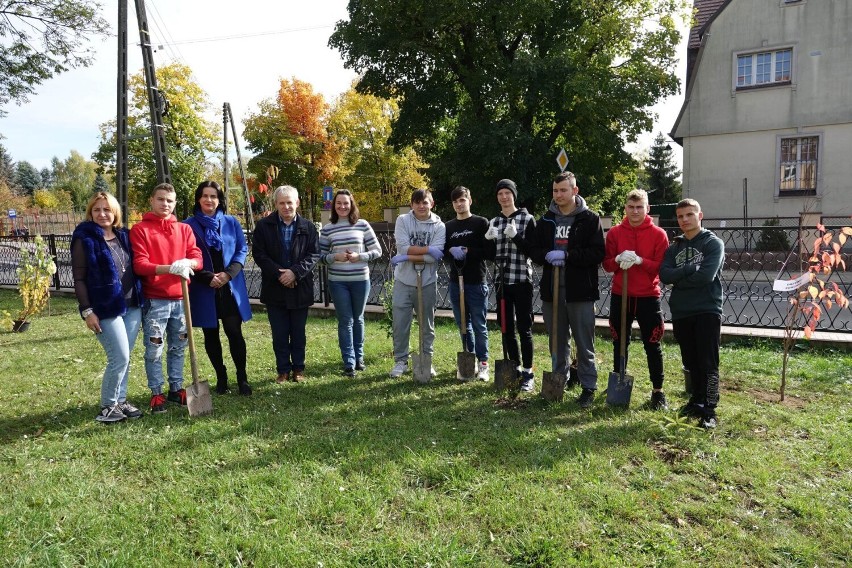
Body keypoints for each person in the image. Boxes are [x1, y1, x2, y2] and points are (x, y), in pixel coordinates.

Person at [528, 171, 605, 407]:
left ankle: (588, 386)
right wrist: (547, 256)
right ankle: (559, 380)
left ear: (575, 190)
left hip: (580, 291)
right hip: (553, 291)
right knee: (557, 340)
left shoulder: (590, 219)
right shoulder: (546, 220)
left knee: (584, 342)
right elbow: (534, 250)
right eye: (555, 190)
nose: (558, 195)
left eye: (563, 190)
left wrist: (568, 255)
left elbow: (597, 253)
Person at [72, 192, 144, 423]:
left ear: (115, 213)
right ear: (90, 213)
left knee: (126, 356)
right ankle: (107, 406)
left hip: (132, 304)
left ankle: (120, 401)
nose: (102, 214)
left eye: (107, 209)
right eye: (97, 210)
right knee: (119, 357)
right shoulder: (86, 239)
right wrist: (87, 311)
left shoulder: (124, 236)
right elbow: (79, 278)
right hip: (105, 308)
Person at [130, 183, 202, 413]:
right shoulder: (140, 229)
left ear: (175, 203)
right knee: (155, 348)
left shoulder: (184, 229)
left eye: (170, 200)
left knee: (179, 346)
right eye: (161, 199)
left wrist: (189, 263)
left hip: (182, 300)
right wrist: (169, 268)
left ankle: (176, 388)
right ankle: (156, 392)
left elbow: (197, 257)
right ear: (152, 200)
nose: (165, 204)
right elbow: (140, 265)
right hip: (156, 300)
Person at [659, 198, 724, 429]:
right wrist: (689, 270)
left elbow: (706, 276)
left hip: (707, 309)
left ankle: (709, 408)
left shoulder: (712, 244)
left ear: (700, 215)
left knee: (708, 361)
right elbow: (665, 275)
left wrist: (680, 278)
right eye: (680, 216)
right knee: (690, 360)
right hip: (682, 311)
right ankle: (696, 400)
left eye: (689, 214)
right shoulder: (674, 247)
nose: (685, 220)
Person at [602, 189, 670, 410]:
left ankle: (658, 391)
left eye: (639, 207)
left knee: (653, 343)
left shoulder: (659, 234)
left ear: (647, 208)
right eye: (631, 207)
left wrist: (641, 260)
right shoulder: (614, 233)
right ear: (625, 208)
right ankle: (618, 381)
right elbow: (607, 265)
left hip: (648, 297)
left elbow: (661, 268)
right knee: (619, 341)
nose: (635, 211)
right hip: (621, 295)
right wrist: (617, 259)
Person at [184, 181, 253, 396]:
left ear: (219, 199)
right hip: (204, 287)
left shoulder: (231, 222)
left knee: (234, 331)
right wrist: (207, 277)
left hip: (229, 286)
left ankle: (242, 378)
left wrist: (227, 274)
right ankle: (221, 378)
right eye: (205, 196)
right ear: (198, 199)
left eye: (213, 196)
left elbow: (242, 250)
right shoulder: (188, 225)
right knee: (210, 335)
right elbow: (185, 254)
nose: (209, 200)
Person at [252, 185, 319, 384]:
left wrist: (294, 273)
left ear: (297, 203)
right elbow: (259, 254)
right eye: (282, 203)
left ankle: (298, 368)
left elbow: (313, 254)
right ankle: (283, 370)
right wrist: (280, 274)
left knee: (298, 333)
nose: (286, 206)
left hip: (300, 287)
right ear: (276, 204)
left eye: (290, 202)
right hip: (275, 288)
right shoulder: (264, 226)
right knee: (280, 334)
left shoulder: (308, 227)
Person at [319, 190, 382, 377]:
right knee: (345, 320)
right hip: (338, 282)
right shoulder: (328, 229)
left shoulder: (362, 225)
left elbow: (377, 250)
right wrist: (333, 257)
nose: (342, 206)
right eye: (338, 203)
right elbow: (319, 257)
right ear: (333, 206)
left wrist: (359, 256)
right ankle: (349, 361)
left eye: (346, 203)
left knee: (358, 318)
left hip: (360, 280)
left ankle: (359, 358)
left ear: (351, 204)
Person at [389, 189, 446, 378]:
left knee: (427, 324)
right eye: (417, 202)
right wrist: (427, 250)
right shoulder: (403, 221)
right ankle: (401, 361)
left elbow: (434, 259)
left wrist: (406, 256)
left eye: (425, 202)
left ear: (432, 203)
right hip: (403, 281)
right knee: (400, 323)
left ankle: (426, 360)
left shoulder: (439, 226)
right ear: (412, 204)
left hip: (428, 281)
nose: (421, 206)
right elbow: (403, 246)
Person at [486, 179, 536, 391]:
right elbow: (489, 256)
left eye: (507, 193)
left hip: (522, 280)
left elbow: (533, 251)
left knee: (524, 328)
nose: (504, 197)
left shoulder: (527, 219)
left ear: (514, 195)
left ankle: (528, 371)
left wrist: (515, 237)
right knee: (506, 328)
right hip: (502, 283)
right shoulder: (494, 222)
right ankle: (513, 367)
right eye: (500, 194)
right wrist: (489, 240)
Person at [443, 186, 492, 381]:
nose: (459, 204)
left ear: (470, 201)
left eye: (462, 200)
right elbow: (444, 251)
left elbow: (489, 252)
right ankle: (468, 360)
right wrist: (451, 252)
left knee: (479, 325)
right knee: (463, 324)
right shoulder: (448, 227)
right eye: (455, 201)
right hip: (456, 282)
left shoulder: (481, 223)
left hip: (476, 282)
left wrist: (468, 251)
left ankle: (483, 363)